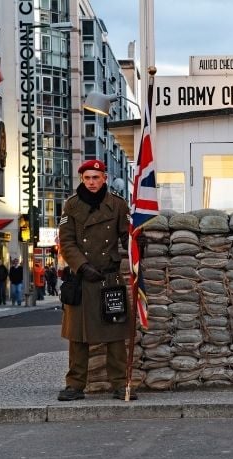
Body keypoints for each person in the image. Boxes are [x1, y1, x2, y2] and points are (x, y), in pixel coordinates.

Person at [57, 159, 131, 401]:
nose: (91, 182)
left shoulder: (117, 205)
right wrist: (82, 265)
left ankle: (120, 384)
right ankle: (75, 385)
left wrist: (136, 244)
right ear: (82, 179)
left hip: (108, 278)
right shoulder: (71, 206)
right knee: (78, 336)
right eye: (87, 178)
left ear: (105, 179)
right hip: (82, 279)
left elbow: (125, 235)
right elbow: (66, 241)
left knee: (115, 333)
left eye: (96, 178)